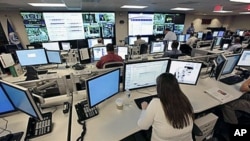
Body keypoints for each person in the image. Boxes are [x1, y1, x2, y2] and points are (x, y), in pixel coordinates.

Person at [137, 73, 194, 141]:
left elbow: (143, 126)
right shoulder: (184, 100)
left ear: (159, 89)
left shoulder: (156, 103)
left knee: (138, 134)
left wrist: (144, 110)